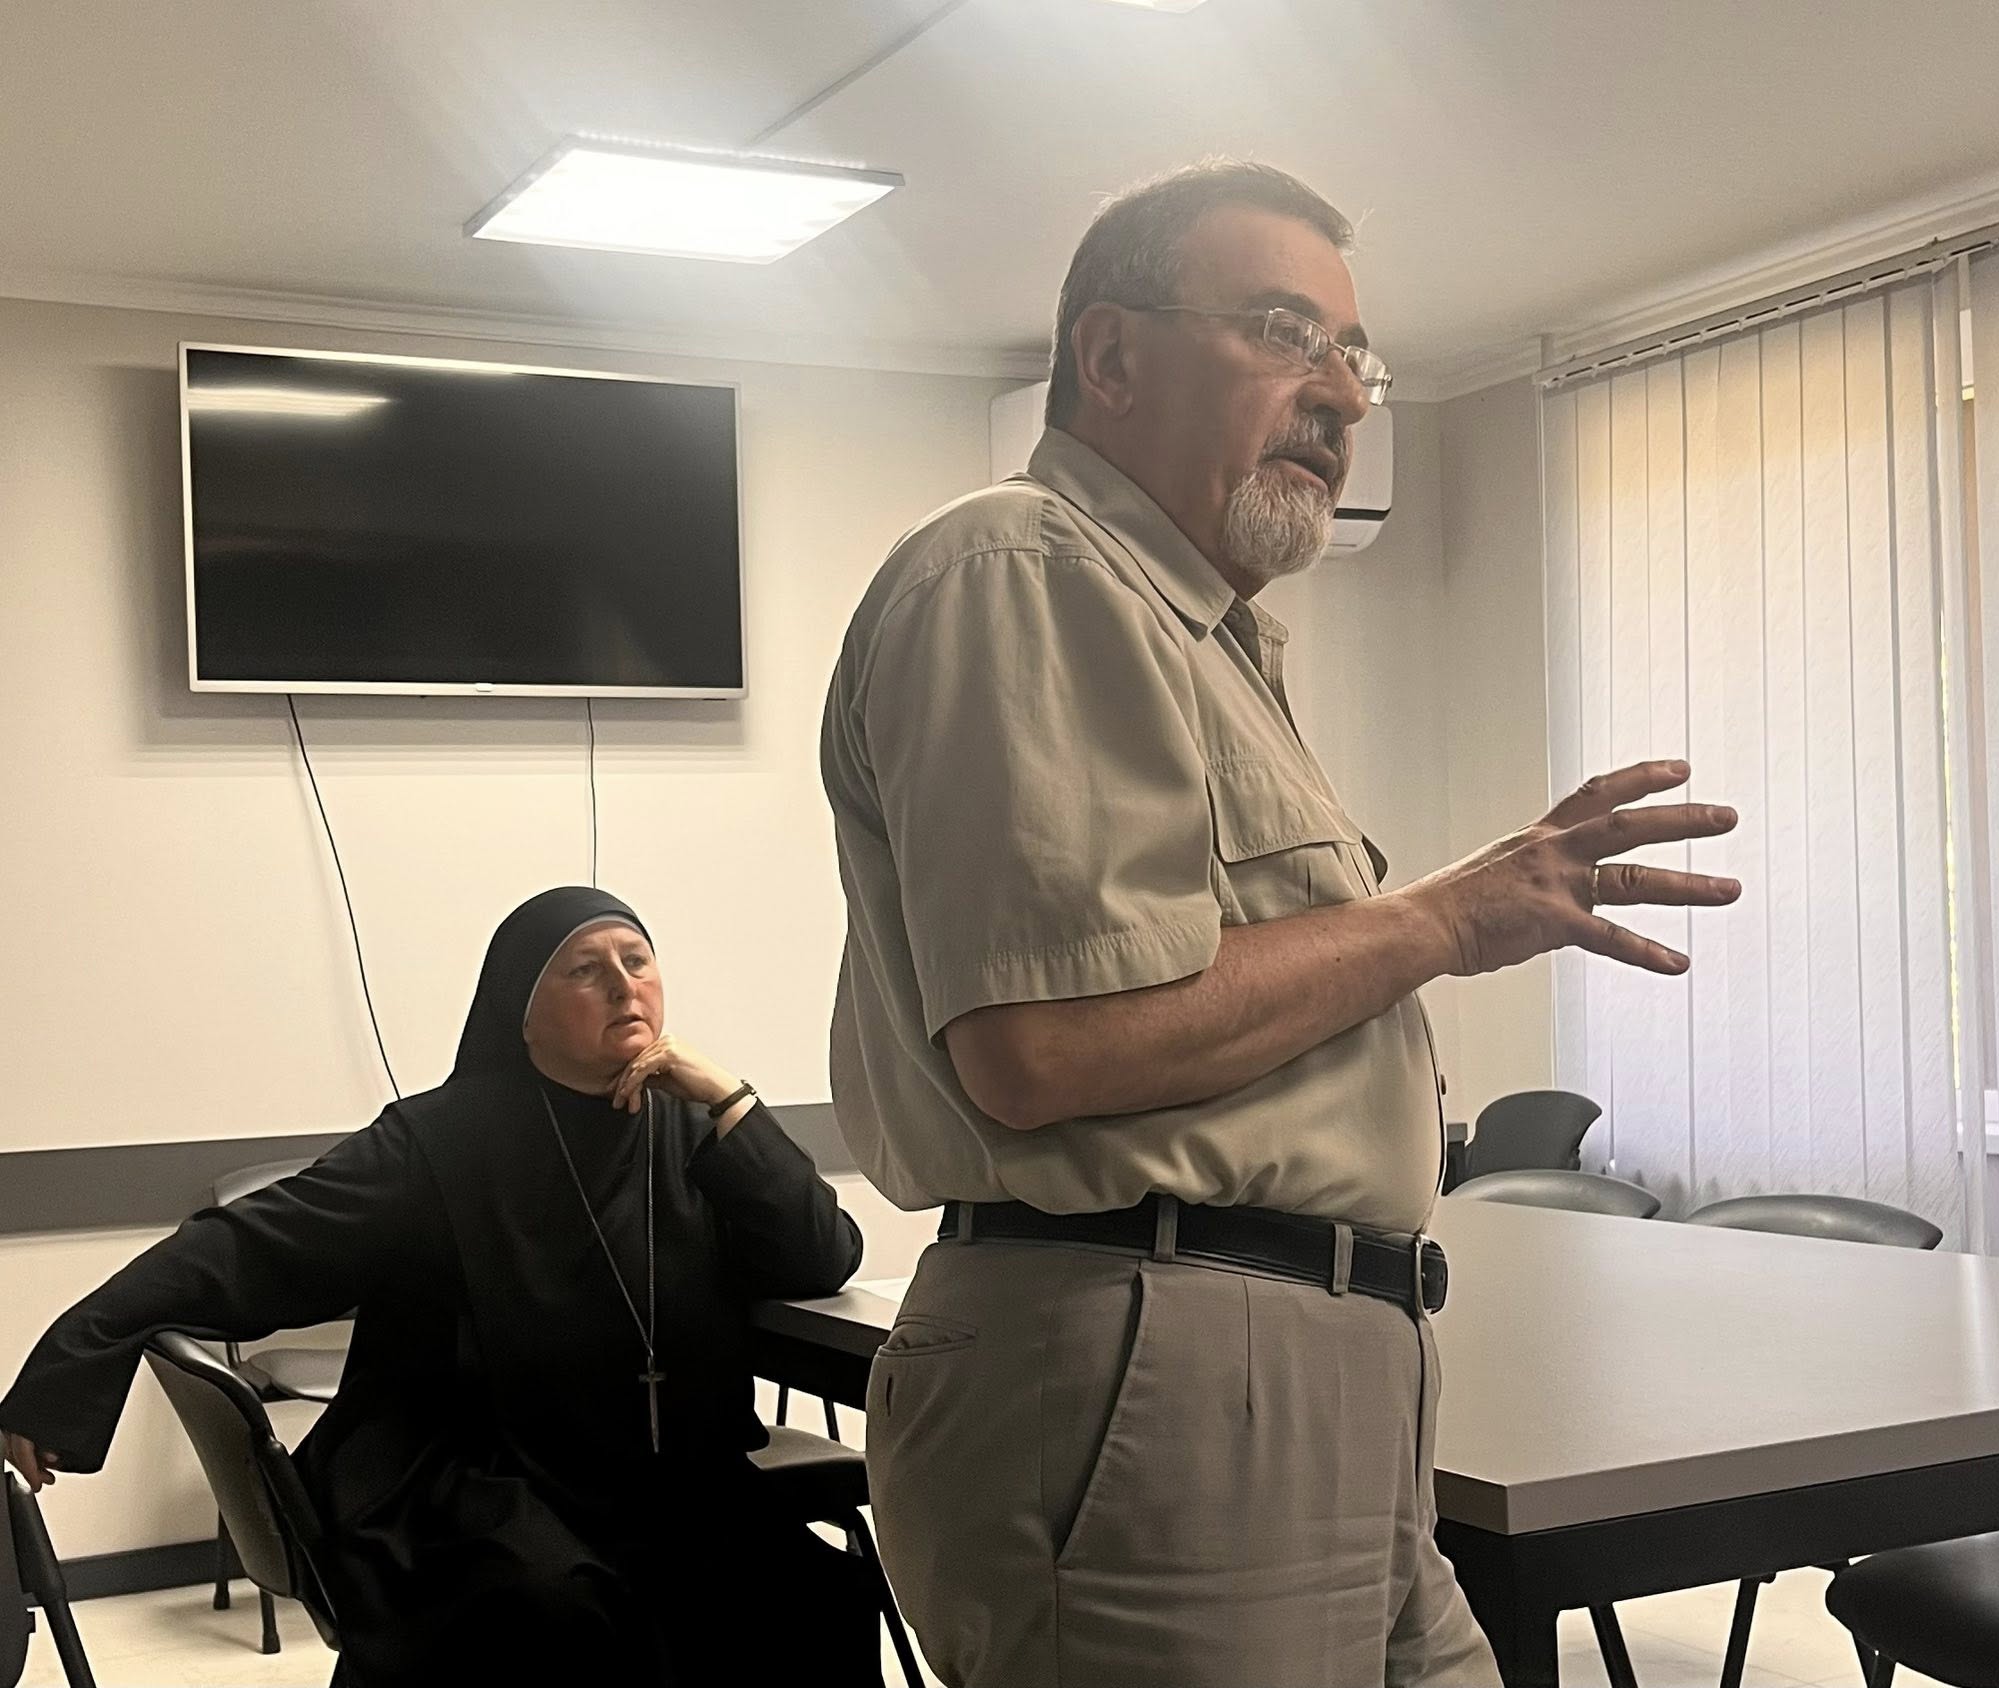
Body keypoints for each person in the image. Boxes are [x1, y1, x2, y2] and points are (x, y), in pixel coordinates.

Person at [820, 160, 1743, 1687]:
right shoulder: (1024, 567)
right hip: (1164, 1363)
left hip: (1303, 1366)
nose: (1344, 394)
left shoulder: (1205, 635)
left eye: (1353, 353)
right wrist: (1443, 917)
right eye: (1281, 331)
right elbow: (1046, 1049)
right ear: (1112, 357)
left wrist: (1439, 919)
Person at [0, 886, 875, 1687]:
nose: (623, 986)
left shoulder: (695, 1129)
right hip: (478, 1474)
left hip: (665, 1480)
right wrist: (84, 1342)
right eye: (585, 969)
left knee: (812, 1595)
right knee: (553, 1610)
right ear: (521, 1013)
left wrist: (731, 1102)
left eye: (637, 961)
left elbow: (820, 1256)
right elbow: (249, 1246)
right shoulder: (439, 1144)